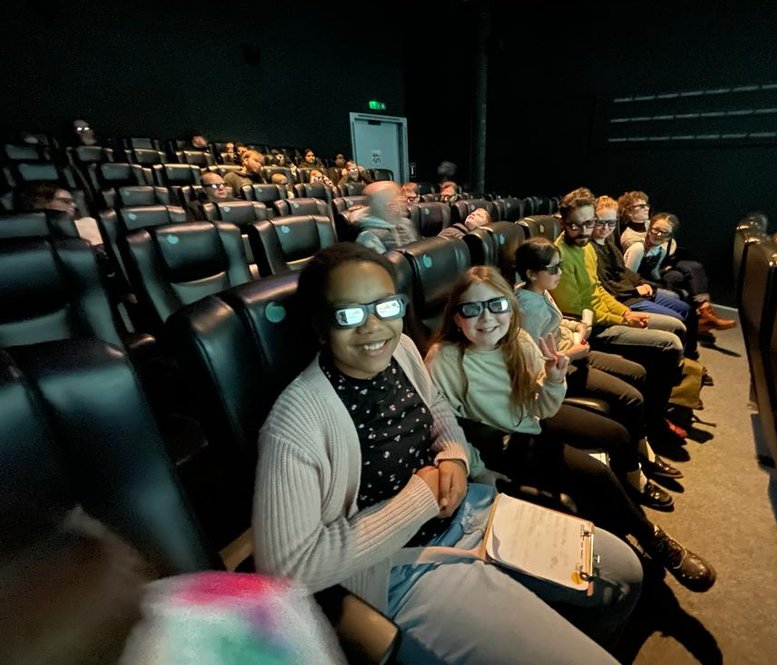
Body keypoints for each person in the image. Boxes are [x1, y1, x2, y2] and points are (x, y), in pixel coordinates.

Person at [253, 242, 645, 664]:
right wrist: (421, 498)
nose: (374, 328)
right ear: (319, 326)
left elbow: (437, 409)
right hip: (399, 569)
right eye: (349, 314)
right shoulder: (295, 420)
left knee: (625, 572)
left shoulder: (402, 348)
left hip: (470, 513)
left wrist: (454, 455)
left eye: (386, 306)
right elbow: (288, 569)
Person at [426, 265, 716, 592]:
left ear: (510, 307)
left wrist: (552, 380)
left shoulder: (517, 341)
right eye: (472, 309)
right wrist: (480, 473)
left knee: (618, 435)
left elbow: (542, 407)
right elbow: (446, 430)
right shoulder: (443, 360)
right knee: (597, 475)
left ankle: (630, 491)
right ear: (456, 318)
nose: (488, 318)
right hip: (501, 447)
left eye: (497, 305)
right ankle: (651, 537)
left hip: (531, 421)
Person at [514, 238, 684, 507]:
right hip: (561, 369)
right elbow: (534, 362)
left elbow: (557, 322)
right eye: (554, 268)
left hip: (575, 351)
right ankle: (633, 473)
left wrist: (577, 327)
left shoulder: (541, 291)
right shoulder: (527, 308)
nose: (560, 272)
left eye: (560, 266)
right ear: (531, 273)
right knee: (632, 398)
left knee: (638, 373)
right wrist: (571, 352)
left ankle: (642, 446)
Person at [548, 188, 688, 439]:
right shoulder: (560, 257)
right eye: (575, 226)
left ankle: (662, 406)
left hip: (604, 316)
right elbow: (580, 310)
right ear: (562, 223)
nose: (583, 232)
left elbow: (598, 290)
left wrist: (625, 313)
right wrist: (620, 318)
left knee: (677, 327)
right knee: (670, 343)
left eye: (589, 223)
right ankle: (654, 422)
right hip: (589, 327)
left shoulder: (587, 249)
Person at [592, 196, 698, 358]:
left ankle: (689, 354)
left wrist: (642, 283)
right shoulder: (591, 248)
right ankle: (681, 358)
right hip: (626, 297)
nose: (606, 227)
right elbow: (606, 284)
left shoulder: (608, 242)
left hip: (632, 290)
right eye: (601, 222)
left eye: (612, 223)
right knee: (677, 321)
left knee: (686, 307)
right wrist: (635, 289)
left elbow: (623, 271)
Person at [620, 208, 735, 337]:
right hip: (637, 286)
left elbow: (654, 272)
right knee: (675, 297)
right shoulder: (638, 248)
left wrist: (662, 284)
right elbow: (628, 275)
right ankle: (692, 328)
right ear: (649, 228)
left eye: (664, 233)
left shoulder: (660, 250)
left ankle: (697, 325)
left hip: (648, 283)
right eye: (656, 230)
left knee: (682, 295)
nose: (658, 235)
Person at [12, 181, 102, 246]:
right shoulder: (31, 237)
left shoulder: (86, 223)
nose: (74, 205)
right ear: (44, 203)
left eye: (73, 201)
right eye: (66, 201)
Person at [351, 181, 419, 253]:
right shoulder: (368, 238)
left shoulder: (407, 223)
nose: (404, 199)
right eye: (398, 195)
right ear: (390, 205)